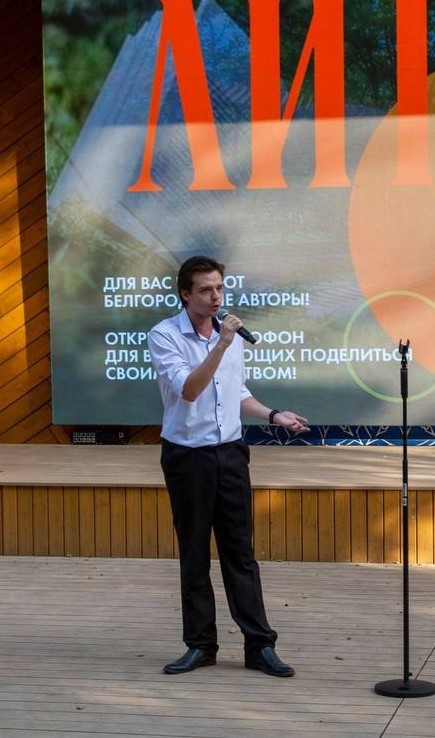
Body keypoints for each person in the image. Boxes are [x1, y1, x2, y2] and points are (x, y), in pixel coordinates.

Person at [147, 255, 309, 677]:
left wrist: (273, 415)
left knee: (241, 552)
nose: (215, 297)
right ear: (185, 294)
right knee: (195, 553)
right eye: (205, 290)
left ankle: (260, 645)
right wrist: (220, 344)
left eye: (219, 288)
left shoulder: (229, 336)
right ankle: (201, 645)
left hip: (231, 453)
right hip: (188, 457)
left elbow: (235, 392)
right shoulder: (165, 335)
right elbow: (189, 390)